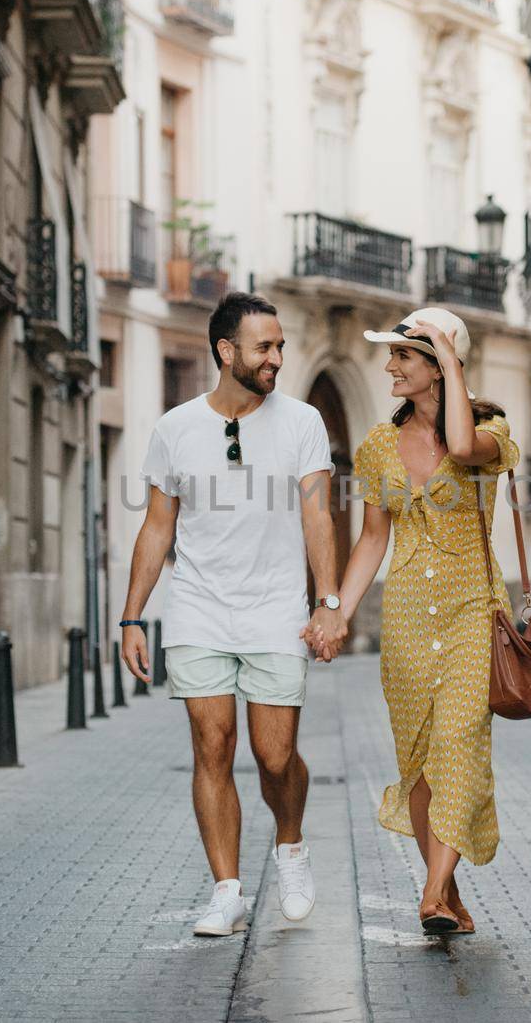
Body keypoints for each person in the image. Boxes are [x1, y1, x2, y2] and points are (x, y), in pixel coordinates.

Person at [119, 292, 349, 938]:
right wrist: (132, 617)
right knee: (211, 744)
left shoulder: (302, 423)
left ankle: (292, 843)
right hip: (197, 607)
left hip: (276, 608)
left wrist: (328, 602)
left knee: (275, 756)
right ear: (226, 352)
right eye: (264, 347)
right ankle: (227, 889)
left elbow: (316, 516)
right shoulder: (175, 429)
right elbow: (157, 527)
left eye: (280, 346)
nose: (277, 357)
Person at [316, 306, 520, 935]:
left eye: (405, 355)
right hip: (406, 616)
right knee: (420, 762)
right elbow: (373, 539)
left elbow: (461, 447)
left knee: (459, 744)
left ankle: (429, 893)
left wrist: (450, 358)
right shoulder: (378, 445)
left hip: (472, 613)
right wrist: (337, 613)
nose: (390, 366)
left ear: (439, 364)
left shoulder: (492, 430)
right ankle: (450, 893)